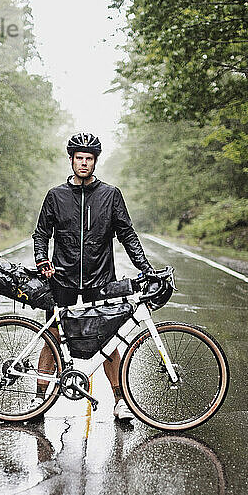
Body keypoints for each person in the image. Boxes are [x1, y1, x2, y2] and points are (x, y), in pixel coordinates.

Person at [32, 132, 154, 421]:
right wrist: (41, 259)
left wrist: (145, 268)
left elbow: (126, 234)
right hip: (62, 276)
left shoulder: (110, 195)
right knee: (52, 334)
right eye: (79, 158)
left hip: (100, 278)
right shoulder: (56, 196)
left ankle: (120, 402)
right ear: (71, 160)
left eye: (89, 159)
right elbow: (41, 233)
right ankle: (38, 399)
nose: (84, 163)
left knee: (107, 338)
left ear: (95, 162)